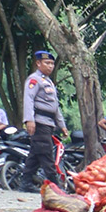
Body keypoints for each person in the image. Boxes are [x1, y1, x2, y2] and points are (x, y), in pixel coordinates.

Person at [21, 50, 67, 191]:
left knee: (35, 155)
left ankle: (26, 183)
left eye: (52, 63)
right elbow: (28, 100)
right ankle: (55, 186)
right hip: (39, 123)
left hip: (49, 123)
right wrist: (29, 120)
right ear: (38, 63)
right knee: (47, 154)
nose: (50, 66)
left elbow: (55, 107)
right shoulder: (34, 80)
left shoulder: (48, 82)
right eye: (47, 63)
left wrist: (62, 125)